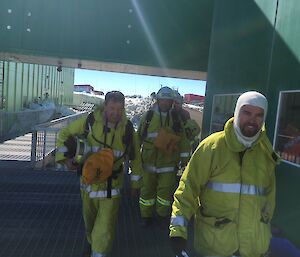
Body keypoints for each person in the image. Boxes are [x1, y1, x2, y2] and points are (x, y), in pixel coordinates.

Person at [169, 91, 280, 257]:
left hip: (253, 249)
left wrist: (264, 234)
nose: (252, 120)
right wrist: (178, 232)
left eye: (259, 115)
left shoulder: (265, 154)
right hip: (216, 247)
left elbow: (269, 201)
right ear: (236, 113)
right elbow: (187, 191)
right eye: (247, 112)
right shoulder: (212, 148)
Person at [55, 91, 142, 257]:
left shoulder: (128, 129)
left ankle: (98, 252)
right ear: (105, 106)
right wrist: (65, 159)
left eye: (119, 109)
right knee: (90, 222)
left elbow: (136, 158)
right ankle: (91, 242)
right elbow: (64, 134)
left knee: (105, 226)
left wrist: (136, 184)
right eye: (111, 108)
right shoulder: (90, 121)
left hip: (112, 186)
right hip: (88, 184)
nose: (115, 113)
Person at [137, 86, 184, 227]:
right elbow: (138, 137)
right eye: (163, 100)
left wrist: (184, 158)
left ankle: (162, 215)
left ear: (171, 102)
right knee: (147, 191)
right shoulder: (148, 117)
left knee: (165, 192)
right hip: (149, 162)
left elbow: (183, 139)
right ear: (158, 100)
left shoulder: (176, 118)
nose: (165, 103)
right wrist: (134, 158)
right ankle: (146, 216)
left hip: (168, 163)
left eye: (168, 100)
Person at [173, 91, 201, 169]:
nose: (175, 104)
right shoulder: (166, 113)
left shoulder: (184, 114)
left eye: (178, 102)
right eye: (174, 102)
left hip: (183, 147)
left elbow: (191, 131)